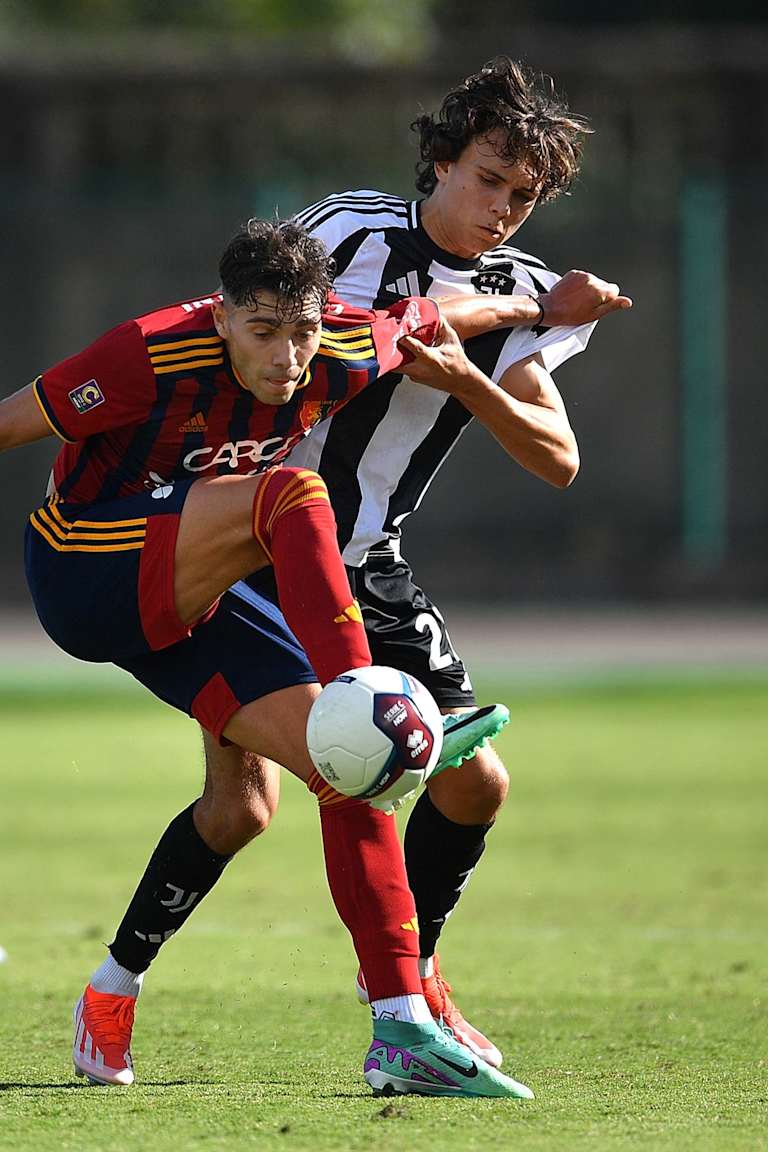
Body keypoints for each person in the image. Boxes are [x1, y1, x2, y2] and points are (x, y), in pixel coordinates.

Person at [0, 218, 534, 1098]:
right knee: (292, 492)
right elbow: (14, 420)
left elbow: (434, 318)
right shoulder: (146, 353)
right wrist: (353, 683)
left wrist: (541, 303)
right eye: (263, 330)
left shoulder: (344, 347)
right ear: (221, 318)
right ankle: (360, 683)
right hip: (84, 572)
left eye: (304, 330)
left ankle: (387, 1029)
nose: (288, 356)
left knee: (298, 786)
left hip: (190, 593)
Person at [284, 56, 632, 1067]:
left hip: (371, 562)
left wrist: (468, 386)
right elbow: (308, 339)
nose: (503, 210)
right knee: (246, 804)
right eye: (488, 178)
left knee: (477, 786)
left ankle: (412, 987)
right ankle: (112, 985)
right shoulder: (344, 226)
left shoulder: (526, 293)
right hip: (262, 542)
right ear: (438, 160)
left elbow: (559, 461)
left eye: (524, 196)